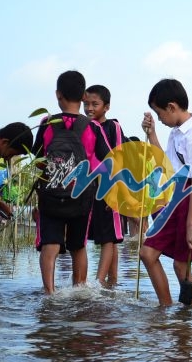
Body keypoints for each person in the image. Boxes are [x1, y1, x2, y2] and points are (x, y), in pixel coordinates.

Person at [31, 70, 109, 294]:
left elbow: (37, 159)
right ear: (83, 96)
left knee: (50, 245)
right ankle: (80, 292)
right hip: (81, 195)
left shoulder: (47, 122)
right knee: (78, 246)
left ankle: (49, 294)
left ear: (58, 95)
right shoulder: (94, 127)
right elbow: (108, 159)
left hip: (50, 194)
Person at [139, 78, 192, 306]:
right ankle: (166, 311)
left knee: (181, 266)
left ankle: (190, 318)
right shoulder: (176, 132)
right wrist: (152, 134)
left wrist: (191, 224)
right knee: (147, 254)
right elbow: (168, 168)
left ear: (172, 107)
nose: (160, 118)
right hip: (177, 200)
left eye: (160, 113)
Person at [83, 84, 126, 287]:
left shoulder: (113, 127)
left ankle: (99, 282)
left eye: (94, 104)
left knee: (109, 238)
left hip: (109, 188)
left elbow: (118, 157)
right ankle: (112, 281)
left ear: (106, 107)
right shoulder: (84, 126)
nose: (89, 108)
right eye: (86, 104)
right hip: (90, 189)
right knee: (107, 238)